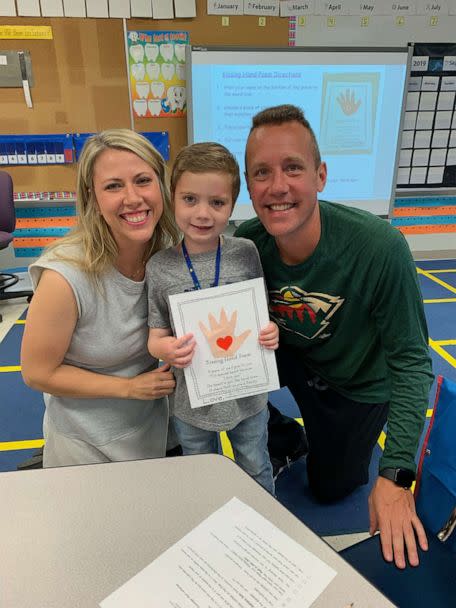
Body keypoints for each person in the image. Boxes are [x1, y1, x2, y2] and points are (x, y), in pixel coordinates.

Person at [235, 104, 434, 568]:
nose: (278, 186)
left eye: (293, 168)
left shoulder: (379, 248)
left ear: (320, 176)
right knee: (213, 370)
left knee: (330, 489)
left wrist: (397, 475)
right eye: (262, 172)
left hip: (356, 384)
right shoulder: (249, 244)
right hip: (295, 357)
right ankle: (280, 432)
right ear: (249, 185)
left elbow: (411, 362)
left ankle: (325, 443)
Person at [21, 129, 179, 467]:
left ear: (160, 187)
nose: (133, 197)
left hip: (154, 430)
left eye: (142, 180)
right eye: (113, 186)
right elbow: (36, 373)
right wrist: (128, 388)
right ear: (92, 198)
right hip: (85, 445)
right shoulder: (65, 276)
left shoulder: (168, 256)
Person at [146, 142, 279, 494]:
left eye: (217, 203)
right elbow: (155, 335)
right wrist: (166, 349)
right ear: (172, 198)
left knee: (254, 464)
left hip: (247, 396)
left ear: (232, 206)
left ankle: (265, 526)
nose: (203, 214)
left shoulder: (245, 253)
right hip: (191, 400)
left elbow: (261, 318)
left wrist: (271, 334)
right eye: (190, 199)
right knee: (201, 472)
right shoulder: (159, 267)